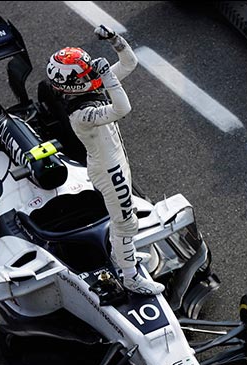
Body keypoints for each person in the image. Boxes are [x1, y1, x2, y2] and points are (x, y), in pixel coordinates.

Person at [46, 25, 165, 295]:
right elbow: (123, 108)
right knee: (125, 222)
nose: (93, 74)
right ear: (73, 81)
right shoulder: (80, 114)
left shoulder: (86, 89)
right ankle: (130, 277)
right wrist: (108, 77)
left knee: (124, 217)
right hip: (109, 170)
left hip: (115, 162)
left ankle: (125, 258)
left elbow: (130, 63)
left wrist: (115, 40)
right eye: (86, 72)